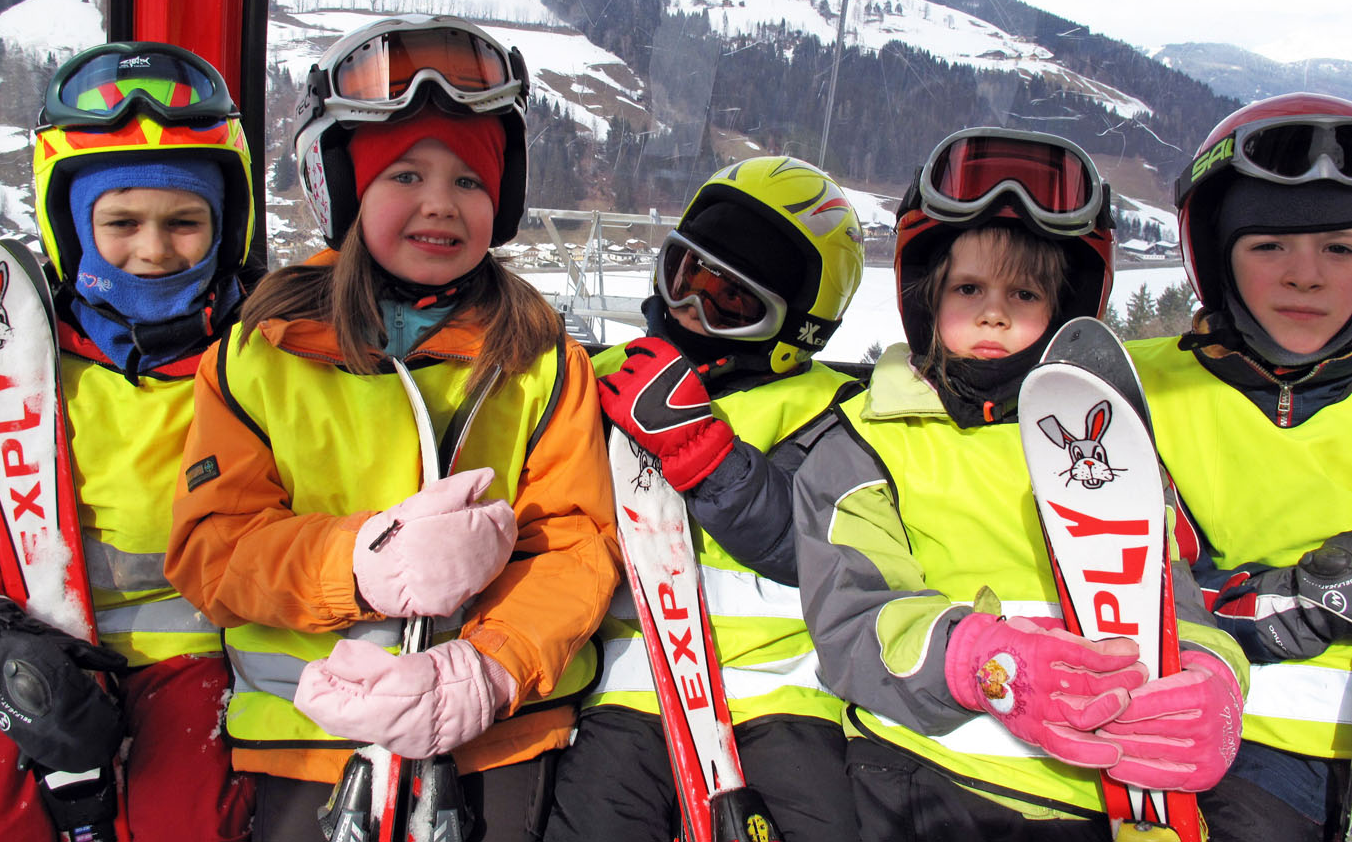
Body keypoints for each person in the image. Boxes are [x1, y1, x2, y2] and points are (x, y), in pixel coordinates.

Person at [162, 14, 618, 842]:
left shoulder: (541, 359)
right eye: (404, 173)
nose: (440, 204)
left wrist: (487, 666)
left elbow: (577, 544)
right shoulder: (262, 356)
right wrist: (360, 564)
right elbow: (212, 549)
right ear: (341, 188)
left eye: (471, 183)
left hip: (498, 734)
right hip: (311, 741)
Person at [792, 127, 1248, 839]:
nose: (993, 311)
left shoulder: (1108, 445)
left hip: (1099, 789)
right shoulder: (862, 444)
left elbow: (1170, 596)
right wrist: (982, 661)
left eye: (1023, 292)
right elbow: (851, 622)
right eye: (968, 287)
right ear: (925, 297)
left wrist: (1213, 681)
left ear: (1061, 310)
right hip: (921, 774)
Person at [0, 41, 257, 840]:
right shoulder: (21, 378)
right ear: (71, 226)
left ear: (227, 225)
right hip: (41, 661)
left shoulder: (259, 368)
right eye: (120, 223)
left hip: (211, 666)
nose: (153, 250)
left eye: (185, 222)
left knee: (188, 821)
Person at [545, 156, 866, 842]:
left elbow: (815, 543)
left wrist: (706, 454)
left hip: (781, 690)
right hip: (628, 677)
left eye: (730, 301)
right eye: (684, 276)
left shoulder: (829, 409)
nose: (691, 308)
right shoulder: (602, 380)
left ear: (794, 331)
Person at [1126, 93, 1352, 839]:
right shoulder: (1141, 392)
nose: (1305, 276)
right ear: (1215, 259)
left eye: (1340, 248)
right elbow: (1128, 587)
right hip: (1236, 737)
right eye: (1268, 247)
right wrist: (1289, 601)